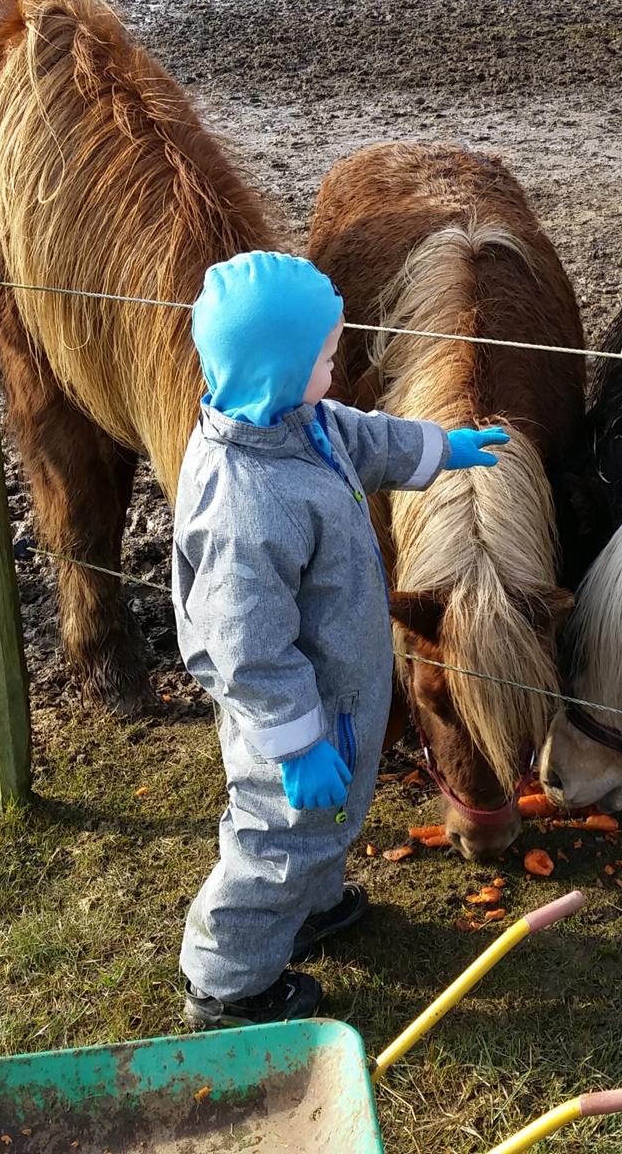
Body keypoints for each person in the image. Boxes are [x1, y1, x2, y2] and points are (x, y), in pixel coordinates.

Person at [174, 250, 509, 1029]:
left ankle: (310, 905)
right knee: (277, 833)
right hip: (290, 706)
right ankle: (228, 981)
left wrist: (440, 451)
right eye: (326, 357)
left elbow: (362, 437)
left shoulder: (294, 422)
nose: (336, 367)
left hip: (334, 684)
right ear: (278, 368)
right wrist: (294, 745)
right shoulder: (247, 507)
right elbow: (250, 650)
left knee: (327, 819)